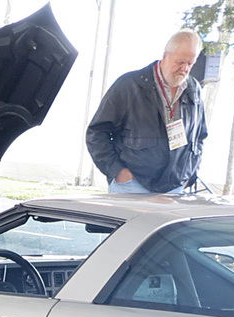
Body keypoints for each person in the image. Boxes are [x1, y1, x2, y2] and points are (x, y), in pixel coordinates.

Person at [86, 30, 207, 194]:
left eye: (190, 63)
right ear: (165, 55)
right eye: (180, 62)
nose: (184, 68)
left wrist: (189, 173)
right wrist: (117, 171)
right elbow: (97, 132)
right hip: (132, 184)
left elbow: (199, 136)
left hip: (176, 186)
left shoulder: (194, 89)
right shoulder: (130, 85)